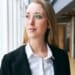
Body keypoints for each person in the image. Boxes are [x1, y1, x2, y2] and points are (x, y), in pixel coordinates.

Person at [1, 0, 70, 75]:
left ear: (49, 24)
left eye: (37, 16)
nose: (31, 22)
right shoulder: (9, 61)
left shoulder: (62, 58)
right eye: (27, 16)